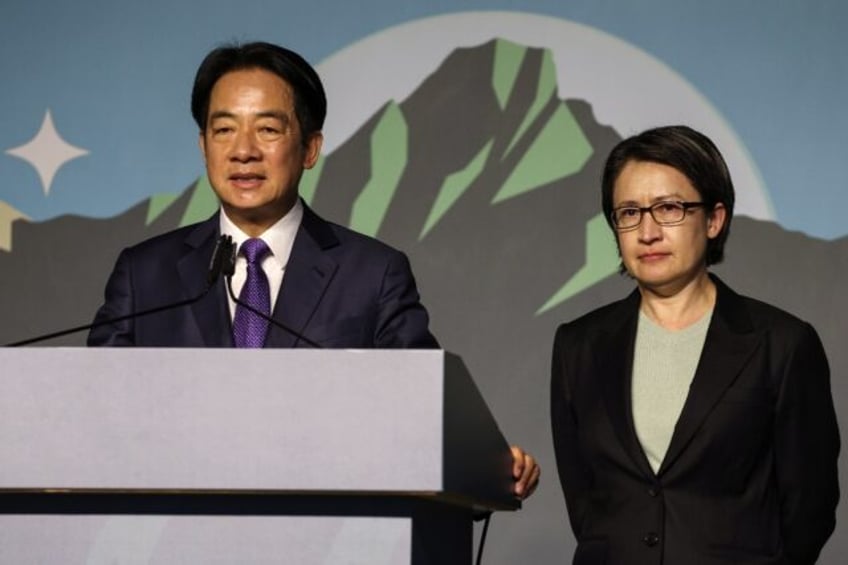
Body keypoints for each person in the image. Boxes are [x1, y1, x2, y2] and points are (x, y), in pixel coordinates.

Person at [88, 41, 539, 498]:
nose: (243, 151)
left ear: (310, 147)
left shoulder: (373, 274)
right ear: (203, 145)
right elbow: (91, 422)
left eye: (267, 129)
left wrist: (487, 466)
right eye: (224, 130)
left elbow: (424, 418)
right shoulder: (145, 275)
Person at [550, 125, 839, 563]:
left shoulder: (781, 344)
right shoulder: (579, 346)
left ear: (714, 219)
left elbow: (808, 509)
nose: (647, 231)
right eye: (628, 212)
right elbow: (586, 502)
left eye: (668, 208)